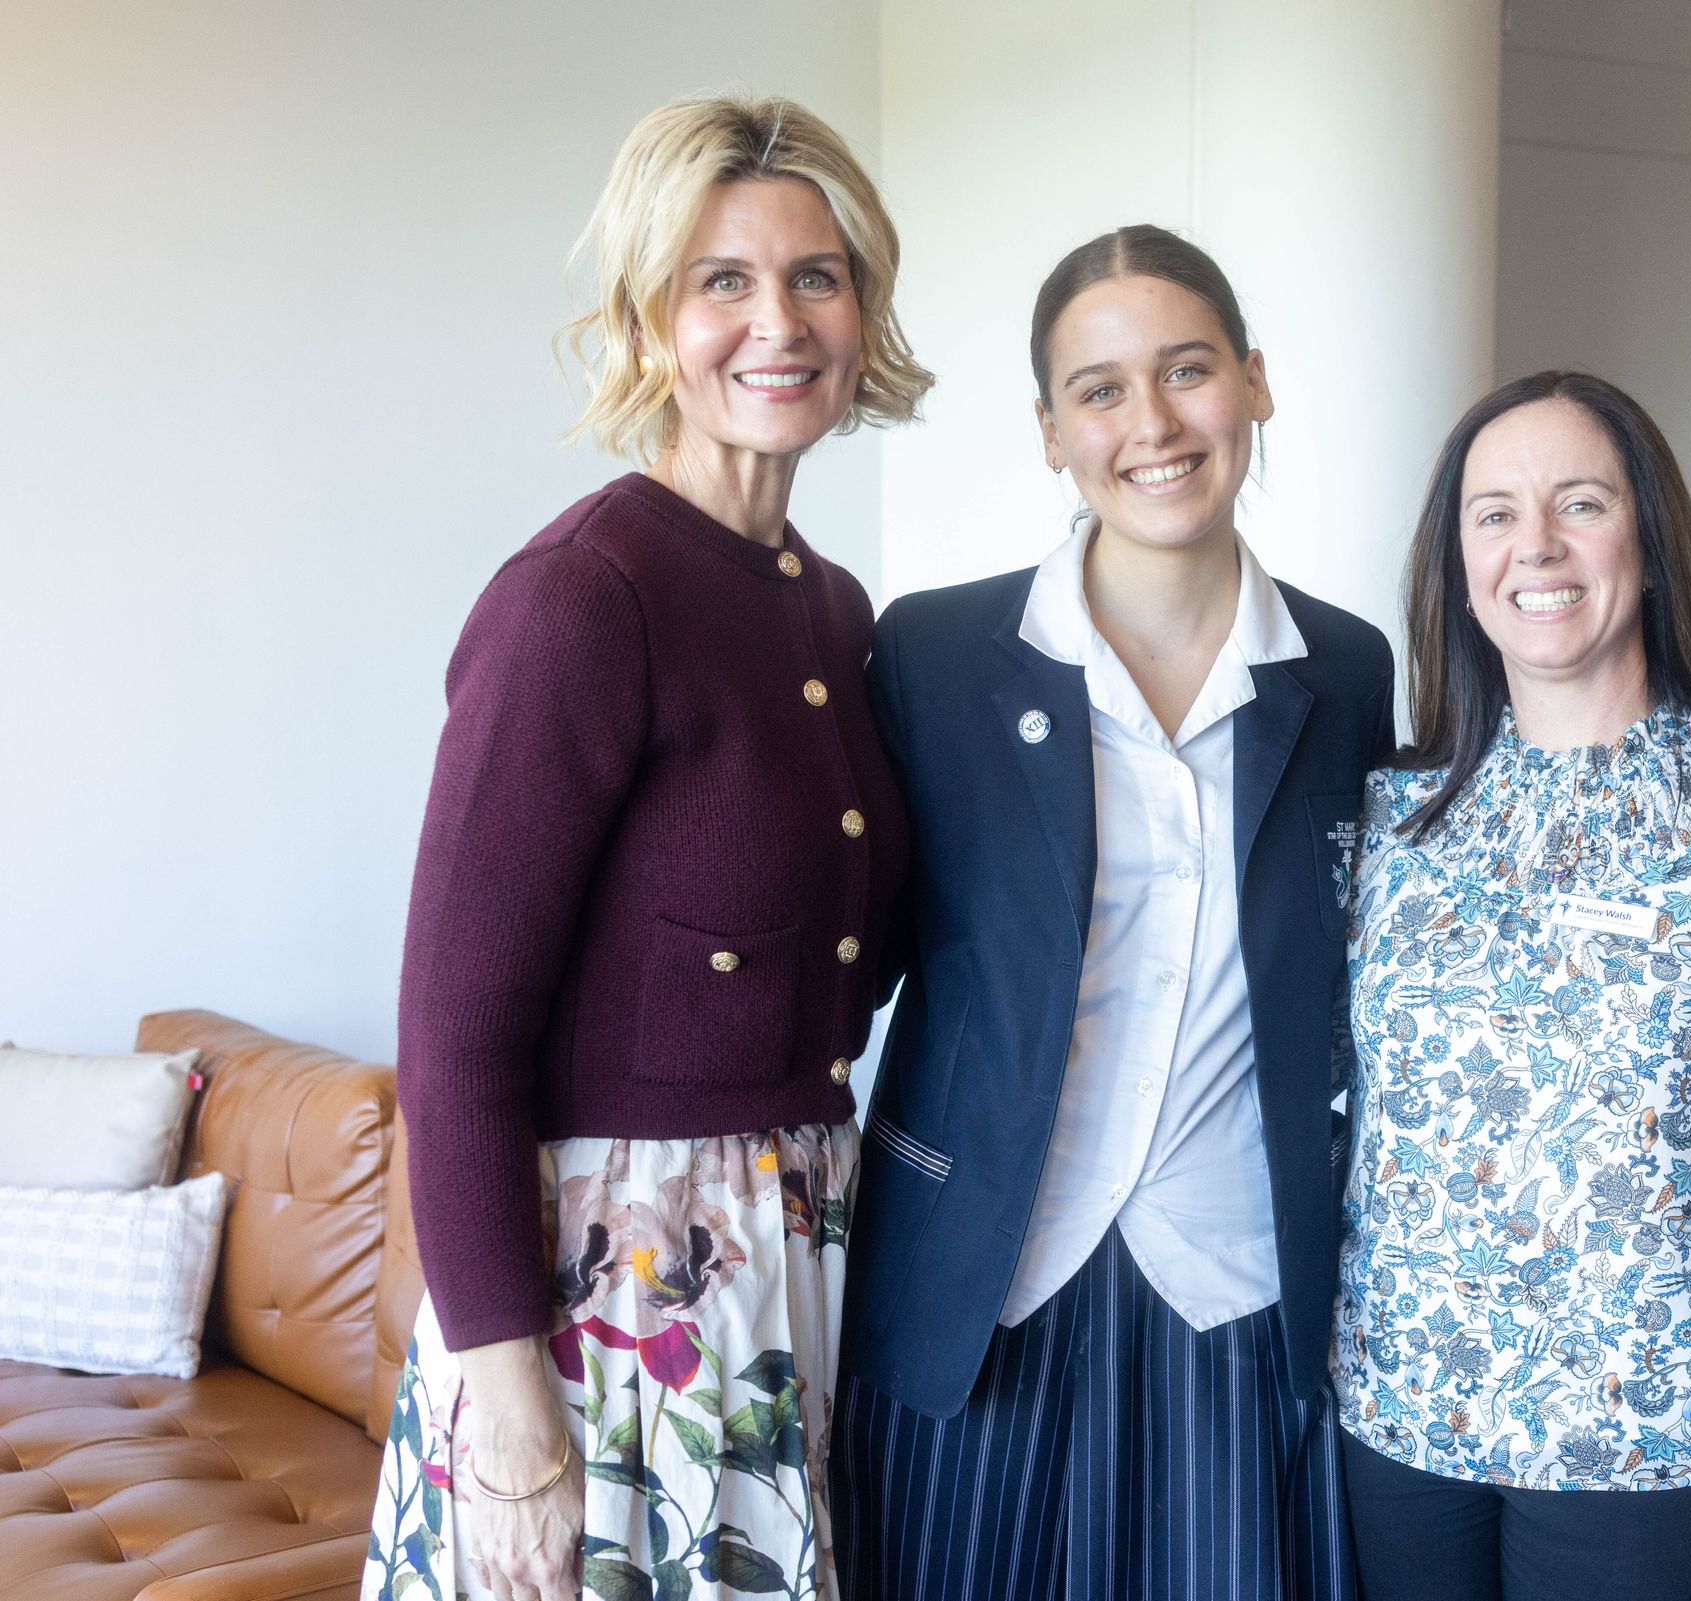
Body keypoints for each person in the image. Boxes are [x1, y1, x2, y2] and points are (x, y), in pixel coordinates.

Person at [364, 94, 931, 1601]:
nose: (778, 321)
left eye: (817, 276)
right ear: (645, 321)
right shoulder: (581, 595)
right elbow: (454, 1036)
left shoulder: (834, 607)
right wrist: (513, 1421)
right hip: (597, 1322)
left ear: (863, 311)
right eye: (721, 280)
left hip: (791, 1274)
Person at [830, 224, 1393, 1601]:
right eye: (1100, 389)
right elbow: (847, 951)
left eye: (1188, 369)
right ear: (1049, 430)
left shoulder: (1346, 670)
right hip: (977, 1285)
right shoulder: (931, 655)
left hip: (1240, 1285)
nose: (1152, 422)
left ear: (1255, 382)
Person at [1332, 371, 1691, 1601]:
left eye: (1580, 503)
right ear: (1460, 566)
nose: (1535, 545)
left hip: (1654, 1442)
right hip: (1400, 1419)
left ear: (1649, 543)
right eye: (1494, 514)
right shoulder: (1389, 825)